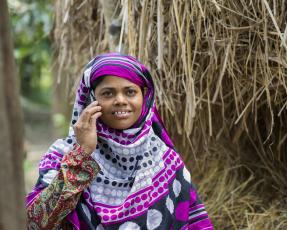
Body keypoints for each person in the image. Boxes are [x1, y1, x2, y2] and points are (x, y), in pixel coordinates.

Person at [26, 53, 214, 230]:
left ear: (145, 97)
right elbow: (35, 222)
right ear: (91, 98)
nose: (120, 100)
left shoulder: (166, 161)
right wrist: (82, 153)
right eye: (108, 93)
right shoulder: (64, 153)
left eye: (130, 92)